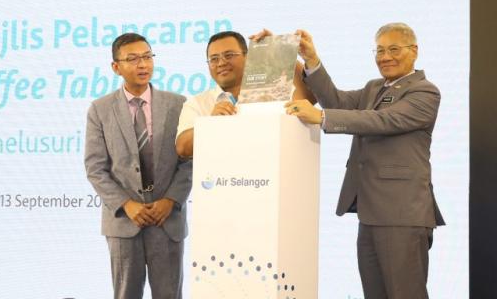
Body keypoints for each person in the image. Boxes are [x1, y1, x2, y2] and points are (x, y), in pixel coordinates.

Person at [284, 23, 444, 299]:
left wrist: (322, 117)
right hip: (370, 213)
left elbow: (384, 120)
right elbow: (336, 101)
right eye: (380, 51)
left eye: (394, 49)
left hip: (402, 214)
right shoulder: (373, 88)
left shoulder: (425, 91)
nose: (385, 57)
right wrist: (311, 59)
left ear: (414, 51)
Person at [84, 33, 191, 299]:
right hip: (124, 222)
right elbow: (95, 167)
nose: (142, 64)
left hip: (167, 219)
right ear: (116, 67)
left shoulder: (178, 104)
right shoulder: (100, 109)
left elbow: (189, 161)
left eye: (147, 57)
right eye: (132, 59)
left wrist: (171, 200)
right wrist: (126, 204)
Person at [175, 30, 315, 158]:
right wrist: (211, 124)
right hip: (219, 176)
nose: (221, 63)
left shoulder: (272, 91)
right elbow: (182, 148)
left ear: (248, 57)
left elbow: (312, 95)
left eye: (229, 55)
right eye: (214, 59)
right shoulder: (197, 102)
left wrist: (277, 49)